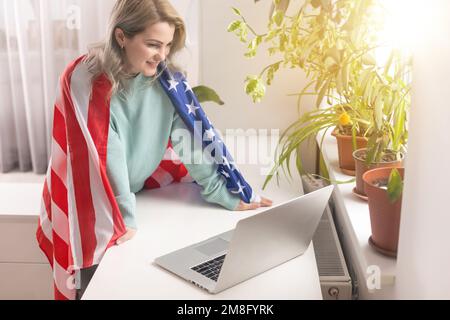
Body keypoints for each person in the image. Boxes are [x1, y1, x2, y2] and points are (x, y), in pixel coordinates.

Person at [73, 0, 272, 299]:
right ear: (121, 37)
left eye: (167, 45)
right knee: (96, 287)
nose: (162, 56)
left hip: (133, 193)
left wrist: (225, 194)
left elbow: (188, 139)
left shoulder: (165, 83)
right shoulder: (93, 83)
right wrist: (124, 220)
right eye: (153, 44)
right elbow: (107, 154)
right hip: (95, 206)